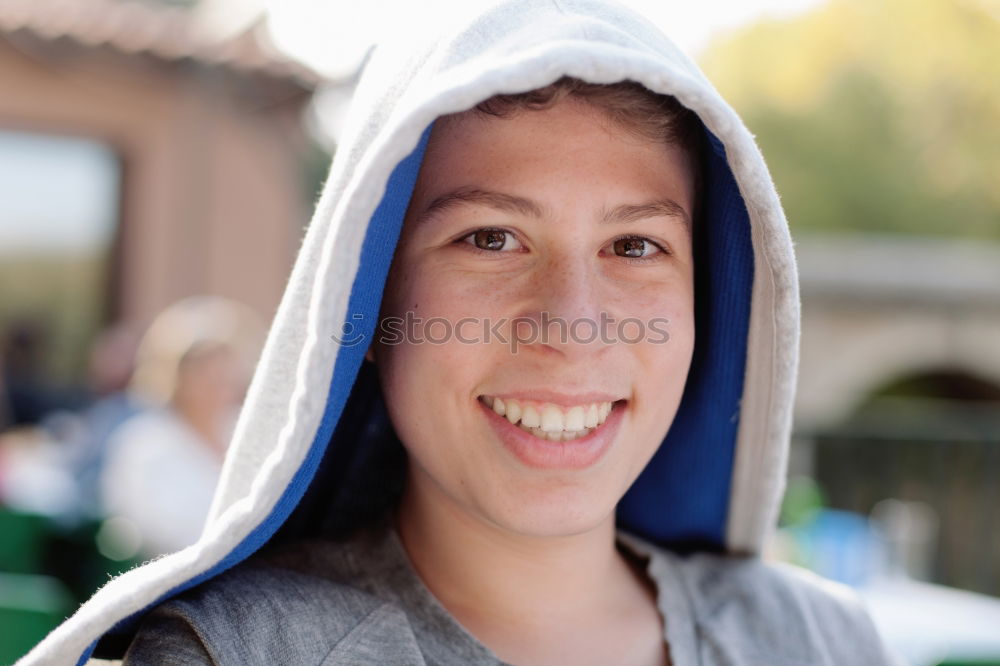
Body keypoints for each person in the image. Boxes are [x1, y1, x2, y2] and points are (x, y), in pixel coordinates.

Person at [19, 1, 899, 664]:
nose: (573, 326)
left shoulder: (822, 642)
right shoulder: (238, 655)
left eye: (635, 245)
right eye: (491, 239)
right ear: (365, 305)